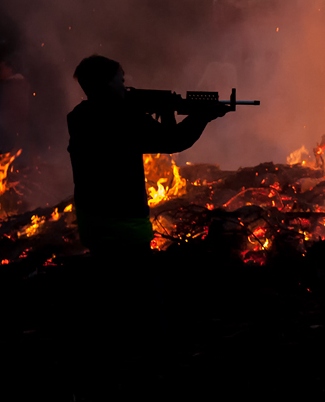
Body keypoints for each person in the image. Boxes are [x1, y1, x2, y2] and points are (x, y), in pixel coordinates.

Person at [67, 55, 221, 261]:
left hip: (93, 227)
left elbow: (166, 139)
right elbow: (174, 141)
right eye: (121, 81)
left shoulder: (80, 117)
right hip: (126, 229)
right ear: (106, 82)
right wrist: (201, 116)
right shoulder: (122, 117)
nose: (126, 88)